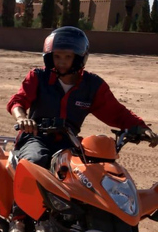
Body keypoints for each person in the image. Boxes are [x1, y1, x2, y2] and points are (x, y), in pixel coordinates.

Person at [8, 26, 157, 171]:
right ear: (49, 57)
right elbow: (18, 101)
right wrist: (22, 118)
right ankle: (25, 195)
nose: (61, 62)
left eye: (68, 57)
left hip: (69, 142)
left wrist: (141, 127)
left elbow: (117, 113)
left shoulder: (92, 85)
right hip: (35, 138)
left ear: (79, 58)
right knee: (35, 161)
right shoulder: (38, 77)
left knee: (94, 170)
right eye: (57, 56)